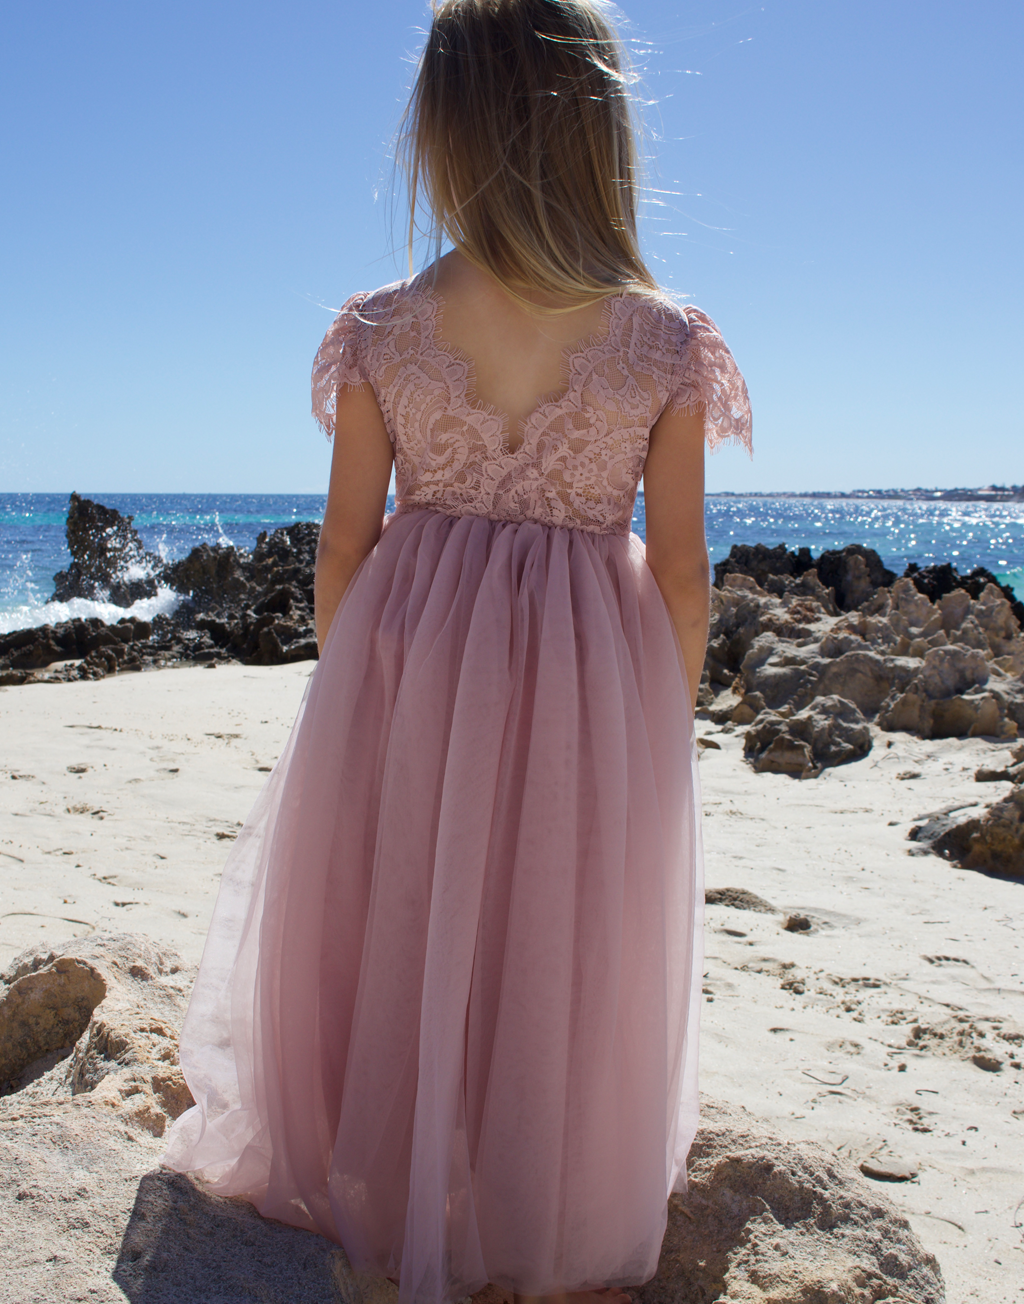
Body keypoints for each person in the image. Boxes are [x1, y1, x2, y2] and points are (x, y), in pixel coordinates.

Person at [161, 2, 751, 1302]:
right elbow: (688, 573)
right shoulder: (661, 341)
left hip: (412, 654)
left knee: (403, 910)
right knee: (556, 920)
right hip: (590, 671)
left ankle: (392, 1152)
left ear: (441, 132)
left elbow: (341, 549)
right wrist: (664, 708)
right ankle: (527, 1180)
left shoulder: (384, 326)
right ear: (600, 127)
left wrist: (356, 687)